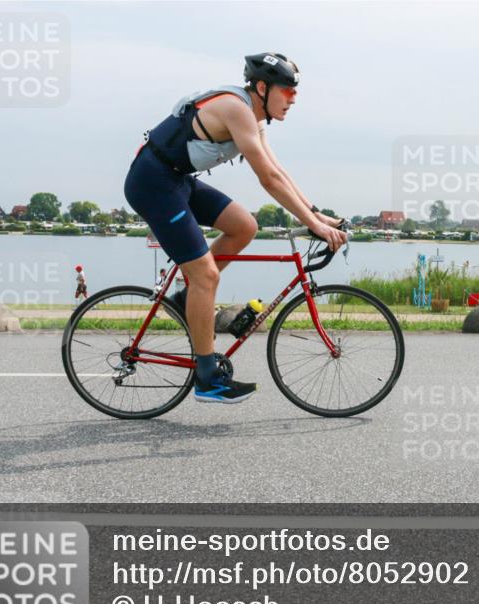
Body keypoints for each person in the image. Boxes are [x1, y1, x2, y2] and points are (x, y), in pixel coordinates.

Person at [124, 53, 346, 404]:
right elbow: (268, 179)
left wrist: (318, 215)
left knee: (244, 226)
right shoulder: (236, 109)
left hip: (176, 180)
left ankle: (186, 299)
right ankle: (207, 377)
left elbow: (278, 170)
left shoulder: (254, 117)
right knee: (207, 277)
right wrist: (313, 224)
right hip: (152, 183)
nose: (293, 99)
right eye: (287, 91)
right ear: (262, 87)